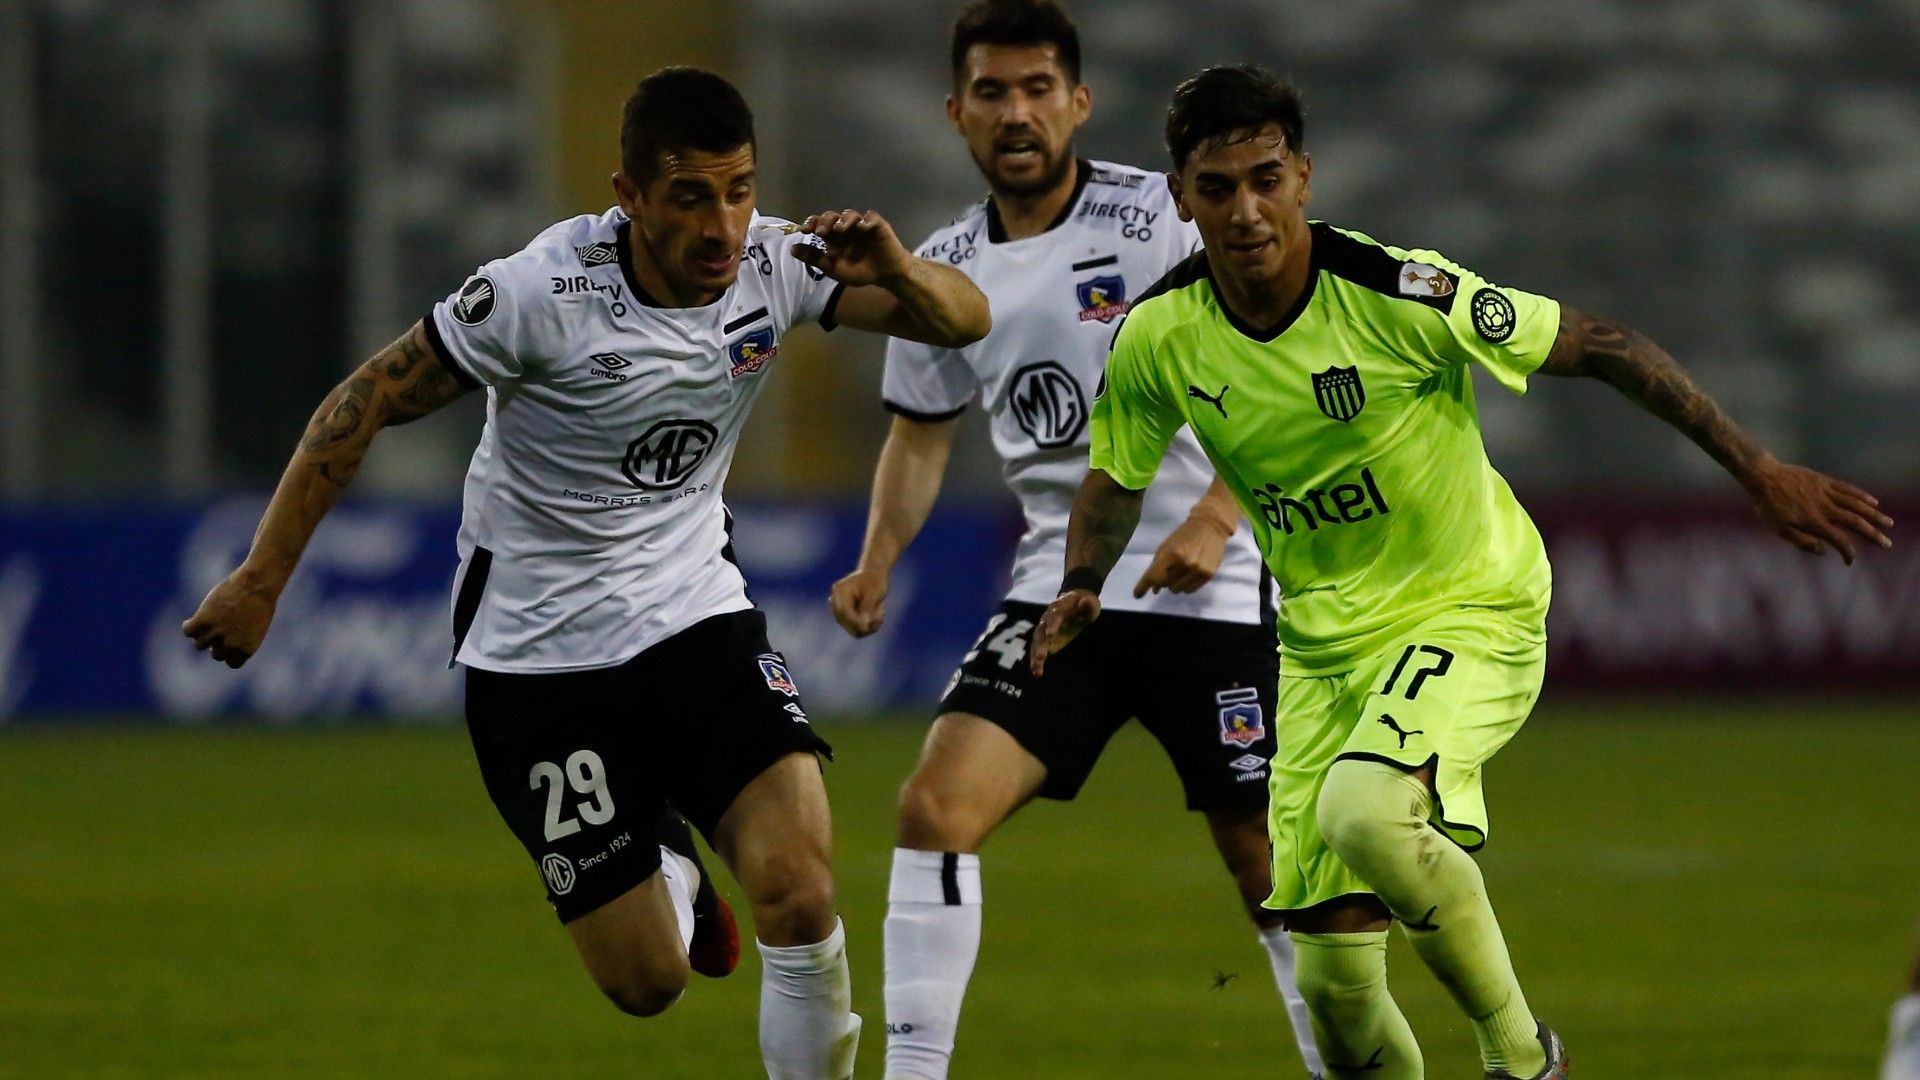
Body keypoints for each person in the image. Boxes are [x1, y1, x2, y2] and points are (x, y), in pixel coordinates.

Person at [1033, 64, 1893, 1080]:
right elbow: (1114, 476)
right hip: (1319, 652)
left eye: (1267, 178)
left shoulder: (1400, 293)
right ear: (1181, 197)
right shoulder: (1158, 336)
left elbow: (1604, 345)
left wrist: (1758, 470)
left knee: (1367, 810)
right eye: (1217, 189)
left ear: (1304, 176)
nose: (1246, 210)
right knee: (1336, 997)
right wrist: (1080, 581)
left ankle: (1525, 1060)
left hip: (1468, 606)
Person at [182, 66, 990, 1080]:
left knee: (798, 886)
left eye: (738, 190)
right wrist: (262, 577)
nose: (722, 225)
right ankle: (668, 856)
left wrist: (903, 271)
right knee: (647, 982)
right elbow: (367, 398)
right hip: (538, 657)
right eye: (690, 196)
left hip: (692, 613)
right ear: (629, 196)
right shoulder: (538, 295)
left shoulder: (779, 266)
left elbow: (965, 322)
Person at [827, 6, 1320, 1078]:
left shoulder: (1168, 219)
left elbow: (1280, 371)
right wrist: (877, 559)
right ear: (956, 114)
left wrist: (1214, 514)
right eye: (994, 93)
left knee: (1264, 862)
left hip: (1215, 587)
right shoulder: (942, 270)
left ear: (1079, 103)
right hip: (1063, 593)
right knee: (932, 808)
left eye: (1040, 88)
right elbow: (918, 437)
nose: (1019, 112)